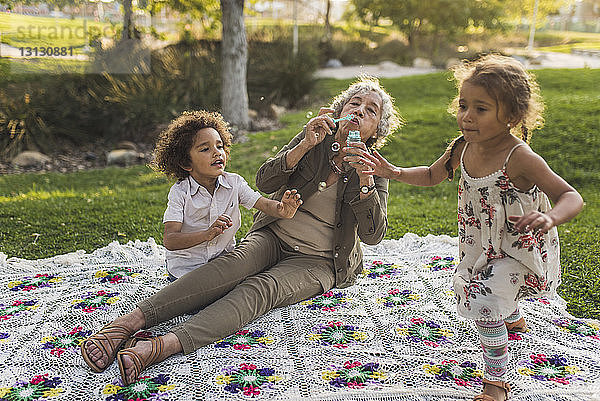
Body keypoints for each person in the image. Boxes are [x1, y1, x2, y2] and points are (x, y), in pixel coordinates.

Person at [80, 76, 403, 386]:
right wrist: (305, 144)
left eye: (371, 110)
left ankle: (160, 346)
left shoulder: (376, 168)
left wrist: (366, 183)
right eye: (354, 103)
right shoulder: (313, 139)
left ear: (377, 130)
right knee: (231, 265)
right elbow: (265, 182)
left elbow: (374, 235)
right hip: (275, 235)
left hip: (319, 261)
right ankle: (127, 324)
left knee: (260, 289)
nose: (359, 110)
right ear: (338, 111)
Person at [345, 55, 584, 401]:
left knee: (485, 299)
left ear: (511, 116)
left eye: (481, 109)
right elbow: (431, 174)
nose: (467, 116)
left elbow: (570, 195)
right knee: (488, 280)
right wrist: (393, 171)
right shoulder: (463, 146)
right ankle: (513, 315)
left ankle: (497, 382)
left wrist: (549, 218)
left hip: (518, 245)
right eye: (463, 105)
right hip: (481, 242)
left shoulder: (520, 157)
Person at [150, 110, 303, 280]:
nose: (217, 152)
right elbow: (170, 240)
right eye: (205, 149)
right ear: (186, 163)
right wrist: (206, 235)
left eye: (220, 146)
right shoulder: (180, 193)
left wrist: (282, 209)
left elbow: (263, 204)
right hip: (185, 270)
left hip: (223, 265)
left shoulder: (234, 183)